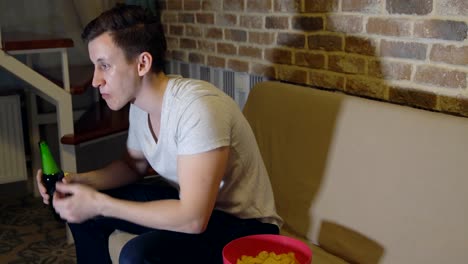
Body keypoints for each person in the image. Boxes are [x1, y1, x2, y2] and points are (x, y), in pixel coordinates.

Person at [36, 4, 282, 264]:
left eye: (104, 66)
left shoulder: (198, 108)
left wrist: (99, 203)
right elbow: (133, 166)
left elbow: (193, 219)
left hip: (245, 225)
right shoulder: (140, 106)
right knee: (84, 212)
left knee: (137, 254)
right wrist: (75, 182)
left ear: (142, 63)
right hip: (195, 207)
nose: (96, 80)